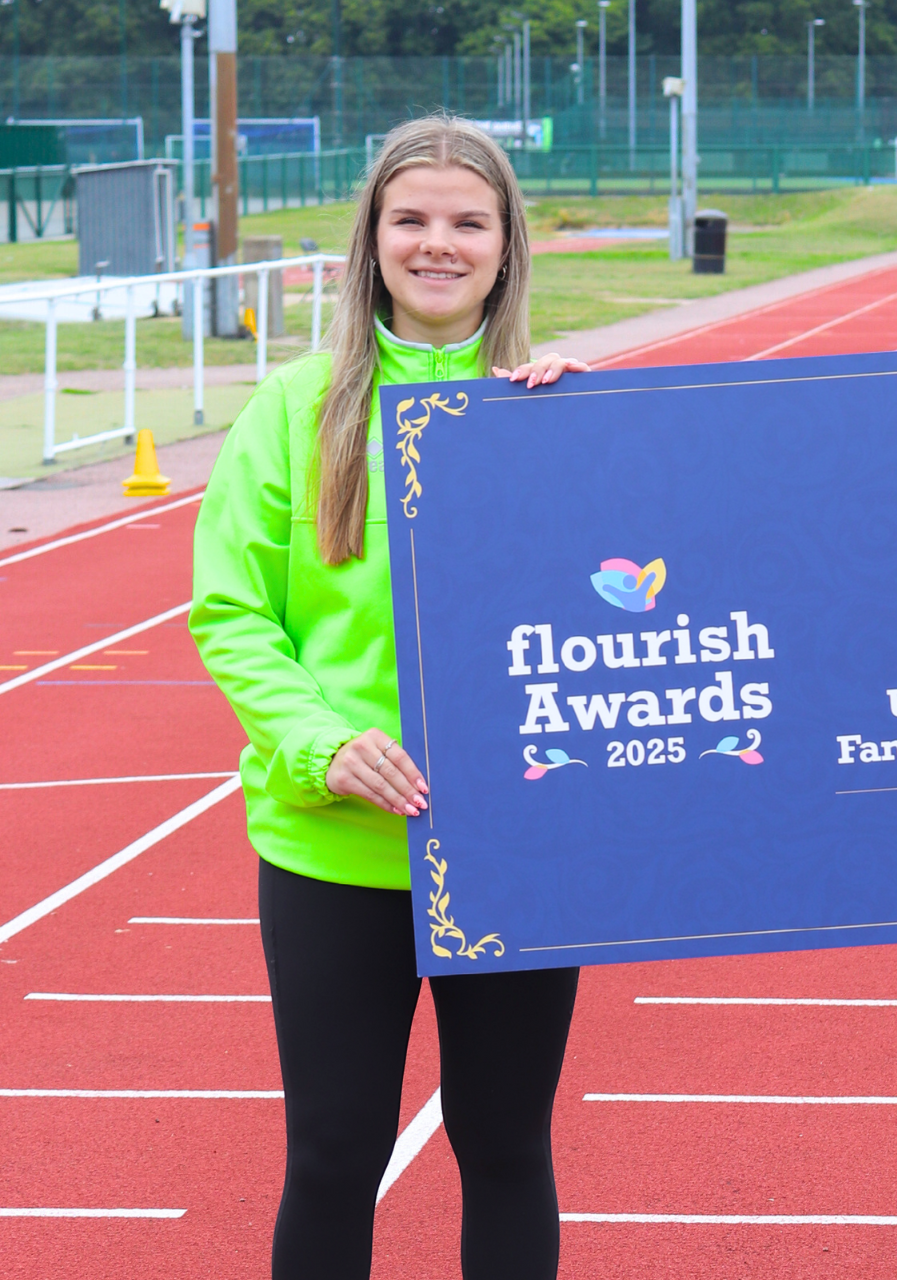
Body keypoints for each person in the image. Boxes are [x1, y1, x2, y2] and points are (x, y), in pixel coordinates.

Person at [191, 115, 591, 1280]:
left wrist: (597, 437)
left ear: (508, 246)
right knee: (330, 1150)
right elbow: (232, 612)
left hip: (517, 842)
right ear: (370, 239)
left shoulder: (553, 413)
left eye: (469, 222)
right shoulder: (294, 408)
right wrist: (324, 743)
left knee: (508, 1144)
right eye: (410, 219)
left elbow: (637, 593)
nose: (437, 244)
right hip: (334, 846)